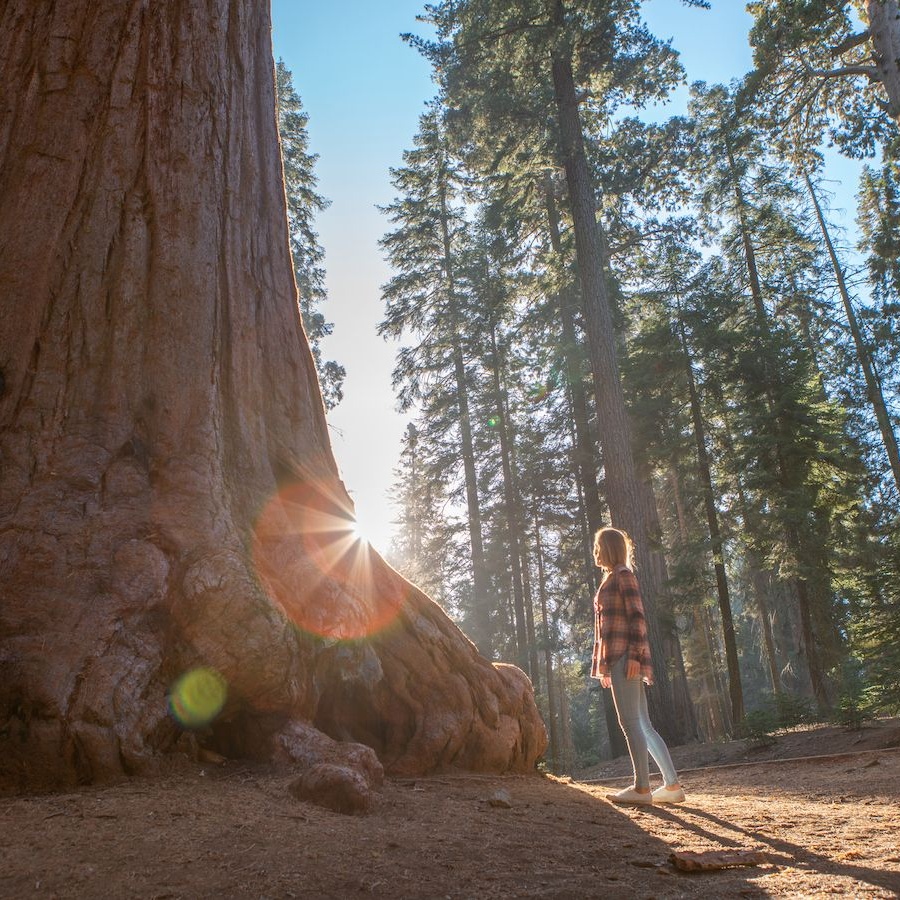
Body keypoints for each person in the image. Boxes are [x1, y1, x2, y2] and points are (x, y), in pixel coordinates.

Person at [590, 526, 685, 805]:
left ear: (608, 548)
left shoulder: (623, 576)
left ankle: (642, 788)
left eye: (598, 546)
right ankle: (672, 786)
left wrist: (633, 656)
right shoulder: (611, 578)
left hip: (625, 657)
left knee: (630, 722)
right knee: (643, 723)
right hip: (617, 659)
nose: (595, 552)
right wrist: (606, 666)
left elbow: (638, 618)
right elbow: (606, 626)